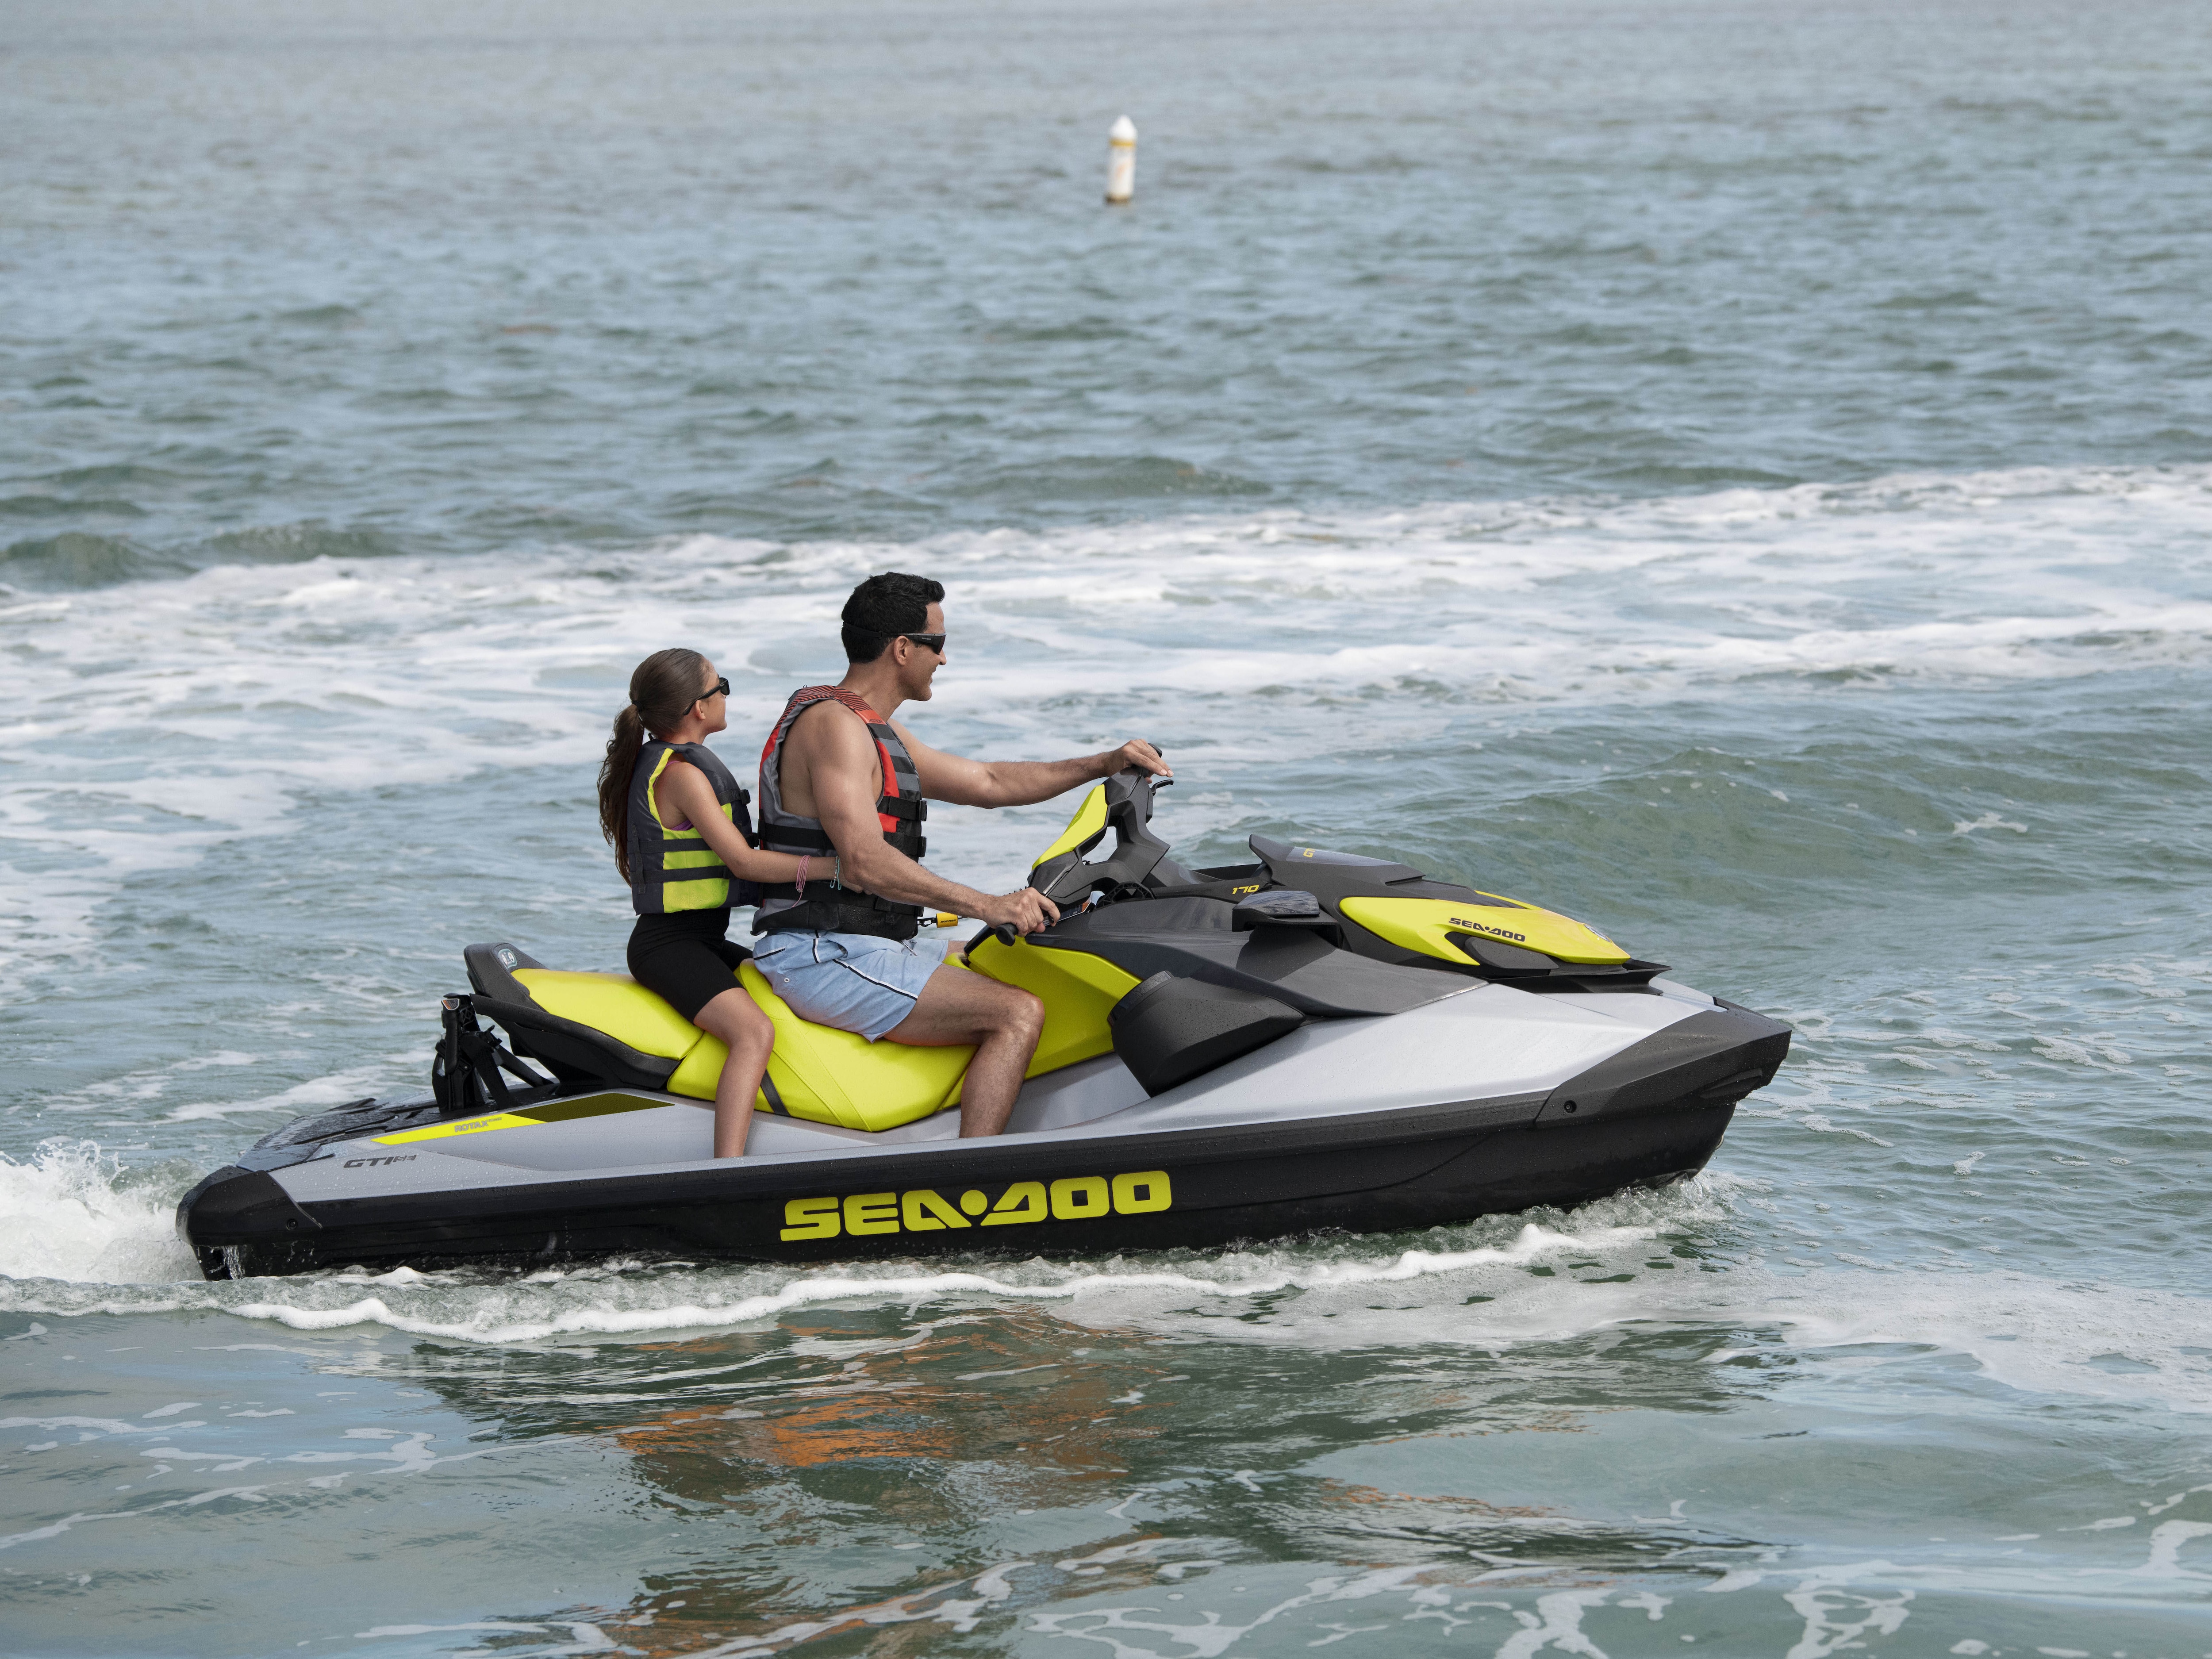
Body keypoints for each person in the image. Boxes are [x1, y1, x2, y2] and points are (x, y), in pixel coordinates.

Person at [749, 572, 1170, 1138]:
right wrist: (988, 904)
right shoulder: (834, 728)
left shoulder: (872, 728)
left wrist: (1103, 763)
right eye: (937, 644)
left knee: (1025, 959)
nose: (943, 661)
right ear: (902, 649)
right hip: (822, 952)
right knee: (1016, 1013)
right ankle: (974, 1178)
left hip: (868, 941)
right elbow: (864, 861)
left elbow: (989, 782)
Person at [597, 649, 805, 1159]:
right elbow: (745, 864)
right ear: (697, 708)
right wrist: (841, 869)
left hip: (701, 941)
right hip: (668, 946)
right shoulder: (682, 775)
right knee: (753, 1032)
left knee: (786, 984)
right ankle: (727, 1167)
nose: (726, 696)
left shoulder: (676, 764)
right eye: (722, 687)